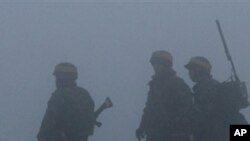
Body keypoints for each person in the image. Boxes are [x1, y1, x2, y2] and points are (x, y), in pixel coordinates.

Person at [185, 56, 248, 141]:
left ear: (200, 70)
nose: (189, 73)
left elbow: (202, 116)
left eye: (192, 69)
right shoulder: (208, 87)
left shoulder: (207, 88)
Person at [136, 50, 193, 141]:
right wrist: (142, 127)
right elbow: (149, 109)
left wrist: (171, 125)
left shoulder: (178, 84)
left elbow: (186, 110)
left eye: (158, 64)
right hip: (155, 135)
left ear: (166, 65)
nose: (155, 67)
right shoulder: (154, 86)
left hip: (174, 136)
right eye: (154, 64)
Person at [37, 63, 95, 141]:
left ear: (61, 78)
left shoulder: (59, 96)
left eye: (57, 77)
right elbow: (89, 127)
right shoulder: (84, 94)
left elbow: (46, 128)